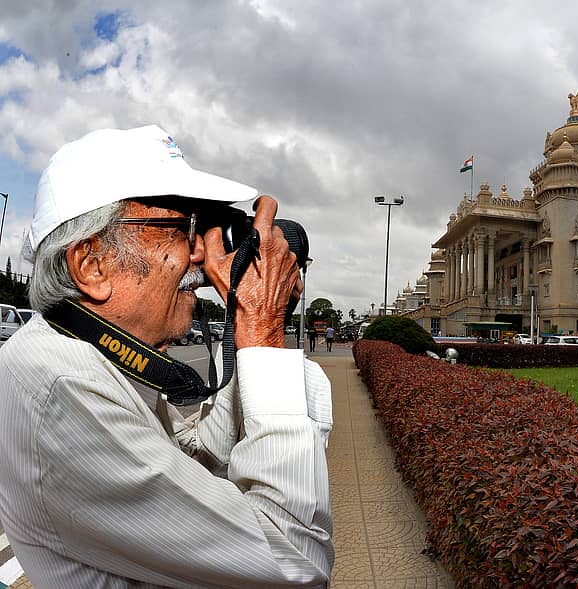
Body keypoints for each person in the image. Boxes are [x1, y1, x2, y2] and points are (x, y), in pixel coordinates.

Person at [0, 125, 333, 587]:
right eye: (182, 229)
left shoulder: (86, 354)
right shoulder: (62, 388)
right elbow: (297, 559)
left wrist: (251, 327)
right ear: (92, 265)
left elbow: (194, 464)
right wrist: (262, 331)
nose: (201, 254)